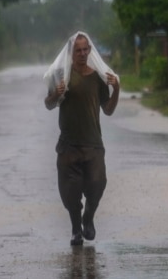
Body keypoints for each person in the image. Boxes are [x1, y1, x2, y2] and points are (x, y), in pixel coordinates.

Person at [43, 31, 120, 246]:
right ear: (71, 52)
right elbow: (48, 104)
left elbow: (109, 110)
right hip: (68, 146)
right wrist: (56, 94)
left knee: (97, 183)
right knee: (71, 192)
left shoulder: (97, 77)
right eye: (78, 50)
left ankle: (88, 218)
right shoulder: (61, 75)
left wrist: (117, 90)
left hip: (93, 144)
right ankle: (76, 229)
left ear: (90, 50)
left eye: (86, 49)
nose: (83, 53)